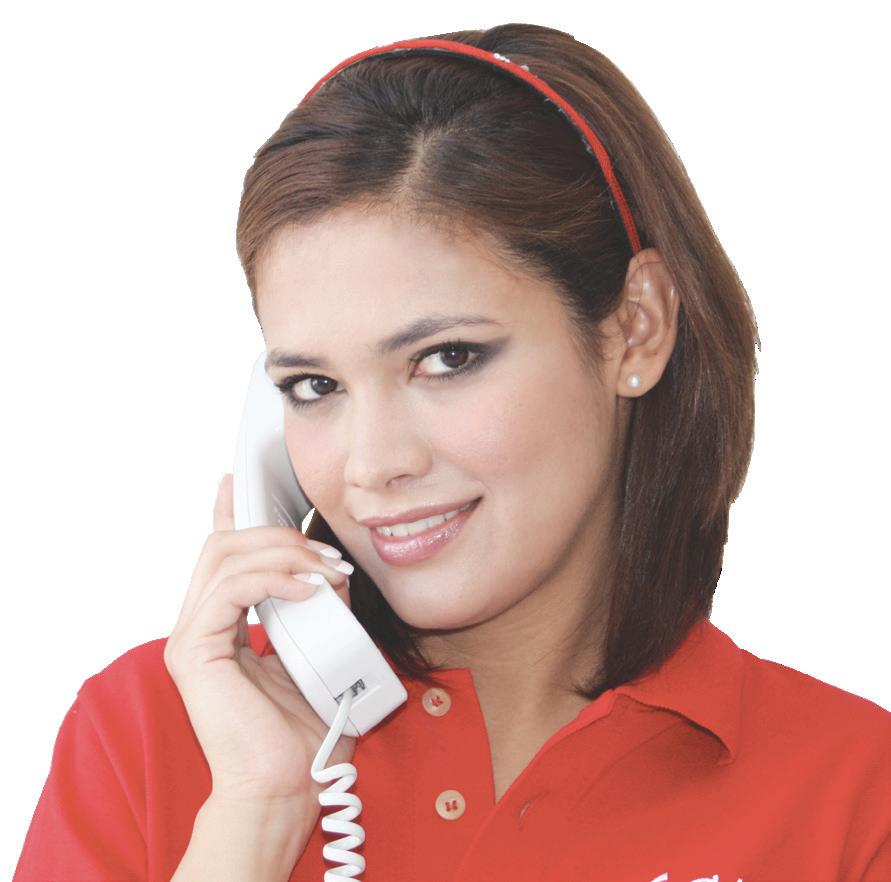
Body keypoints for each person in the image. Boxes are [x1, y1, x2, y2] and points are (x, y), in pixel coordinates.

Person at [13, 22, 890, 882]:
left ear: (635, 329)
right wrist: (254, 812)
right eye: (315, 384)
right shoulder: (147, 734)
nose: (371, 464)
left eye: (446, 359)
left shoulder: (856, 794)